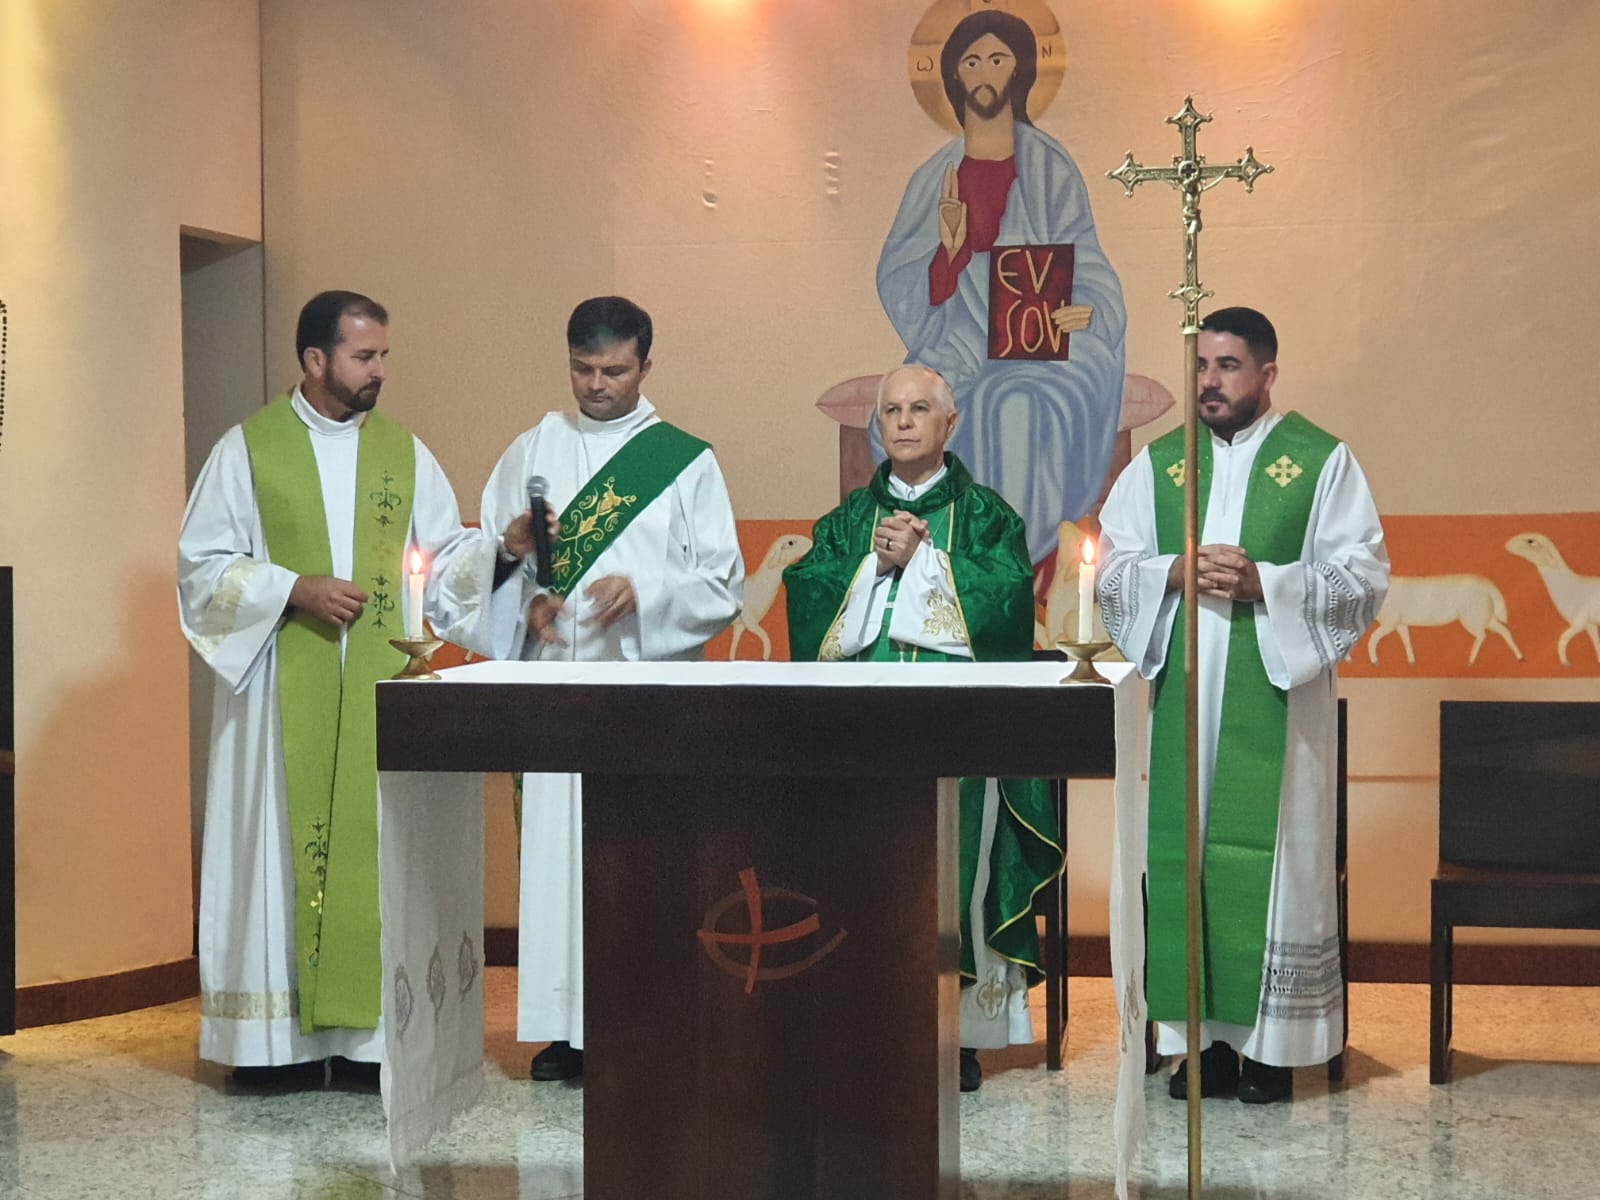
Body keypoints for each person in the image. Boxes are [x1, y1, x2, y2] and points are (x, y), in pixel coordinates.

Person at [433, 296, 744, 1082]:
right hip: (557, 695)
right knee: (557, 857)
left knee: (645, 854)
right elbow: (486, 562)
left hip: (649, 696)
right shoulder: (533, 449)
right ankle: (563, 1028)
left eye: (614, 371)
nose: (597, 385)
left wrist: (645, 592)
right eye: (582, 369)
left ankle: (651, 1020)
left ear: (646, 365)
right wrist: (521, 590)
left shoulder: (684, 461)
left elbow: (722, 584)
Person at [178, 290, 478, 1081]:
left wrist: (502, 555)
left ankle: (365, 1044)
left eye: (384, 355)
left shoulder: (404, 454)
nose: (380, 370)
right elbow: (200, 569)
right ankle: (270, 1049)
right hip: (278, 694)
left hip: (375, 688)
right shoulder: (248, 451)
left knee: (371, 853)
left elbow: (445, 561)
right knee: (276, 851)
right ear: (316, 360)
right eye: (364, 356)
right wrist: (291, 589)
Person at [1096, 307, 1389, 1104]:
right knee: (1186, 856)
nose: (1210, 382)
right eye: (1200, 366)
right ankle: (1201, 1049)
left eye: (1227, 367)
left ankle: (1269, 1054)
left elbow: (1363, 576)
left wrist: (1270, 583)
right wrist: (1171, 572)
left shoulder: (1321, 461)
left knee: (1279, 860)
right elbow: (1111, 567)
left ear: (1267, 374)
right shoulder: (1160, 464)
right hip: (1185, 701)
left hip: (1279, 709)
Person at [783, 363, 1062, 1093]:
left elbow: (1009, 607)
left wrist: (927, 562)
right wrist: (873, 569)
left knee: (956, 869)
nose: (904, 422)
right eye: (892, 411)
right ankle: (870, 1022)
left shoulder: (988, 517)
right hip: (864, 736)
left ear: (950, 423)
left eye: (919, 409)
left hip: (959, 733)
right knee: (867, 867)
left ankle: (955, 1034)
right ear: (878, 425)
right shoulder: (849, 520)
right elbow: (807, 598)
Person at [878, 8, 1126, 563]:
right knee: (917, 404)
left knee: (1012, 402)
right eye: (971, 62)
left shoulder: (1050, 167)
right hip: (960, 340)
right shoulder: (935, 177)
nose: (984, 72)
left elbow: (1086, 259)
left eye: (997, 59)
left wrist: (1086, 309)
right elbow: (899, 278)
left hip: (1046, 348)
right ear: (953, 74)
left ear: (1019, 70)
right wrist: (948, 252)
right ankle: (942, 558)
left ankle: (1014, 561)